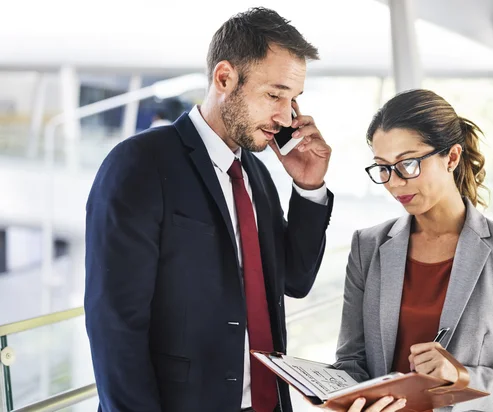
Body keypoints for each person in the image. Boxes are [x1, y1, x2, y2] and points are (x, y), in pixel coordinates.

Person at [85, 8, 334, 412]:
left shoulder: (256, 175)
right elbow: (115, 325)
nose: (287, 117)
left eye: (293, 100)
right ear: (224, 78)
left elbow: (295, 280)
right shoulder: (140, 164)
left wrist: (308, 187)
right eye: (274, 95)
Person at [336, 89, 493, 412]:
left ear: (451, 157)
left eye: (408, 164)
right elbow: (350, 361)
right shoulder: (367, 246)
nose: (394, 183)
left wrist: (460, 377)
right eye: (383, 167)